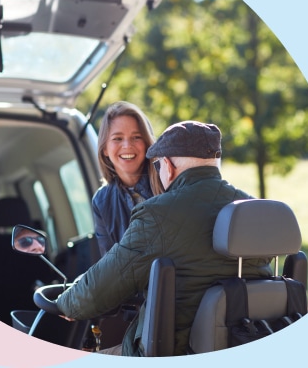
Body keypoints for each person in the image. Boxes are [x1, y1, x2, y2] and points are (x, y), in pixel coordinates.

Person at [56, 120, 272, 356]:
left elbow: (99, 290)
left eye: (157, 165)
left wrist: (65, 303)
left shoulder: (156, 213)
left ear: (167, 165)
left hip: (175, 350)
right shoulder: (253, 209)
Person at [92, 101, 164, 257]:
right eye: (117, 138)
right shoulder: (101, 201)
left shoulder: (168, 182)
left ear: (147, 144)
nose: (127, 145)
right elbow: (109, 266)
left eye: (136, 137)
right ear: (105, 149)